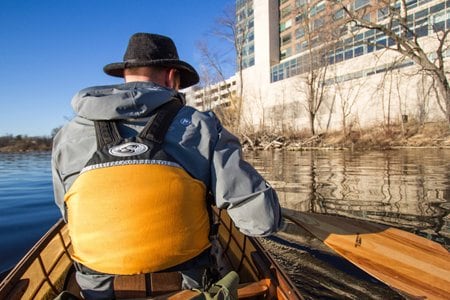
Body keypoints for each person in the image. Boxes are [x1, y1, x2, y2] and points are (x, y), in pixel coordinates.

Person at [52, 32, 282, 300]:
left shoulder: (66, 136)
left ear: (126, 75)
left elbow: (68, 214)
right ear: (173, 77)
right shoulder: (202, 125)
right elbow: (262, 222)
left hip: (99, 291)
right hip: (189, 289)